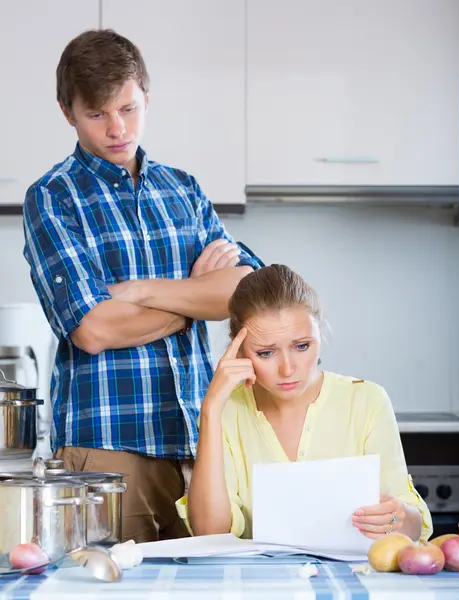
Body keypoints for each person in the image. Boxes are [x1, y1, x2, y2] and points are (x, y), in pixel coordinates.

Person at [22, 29, 262, 543]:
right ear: (68, 112)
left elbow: (247, 289)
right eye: (98, 114)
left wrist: (140, 291)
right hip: (107, 450)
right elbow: (92, 330)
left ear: (147, 98)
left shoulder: (184, 190)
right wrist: (195, 298)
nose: (117, 128)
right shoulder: (52, 198)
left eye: (129, 109)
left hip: (198, 444)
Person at [178, 264, 433, 542]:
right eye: (266, 352)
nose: (288, 369)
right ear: (237, 347)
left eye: (302, 346)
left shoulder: (367, 401)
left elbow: (413, 528)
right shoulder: (227, 411)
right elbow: (209, 533)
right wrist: (211, 409)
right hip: (260, 583)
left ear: (319, 333)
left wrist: (397, 517)